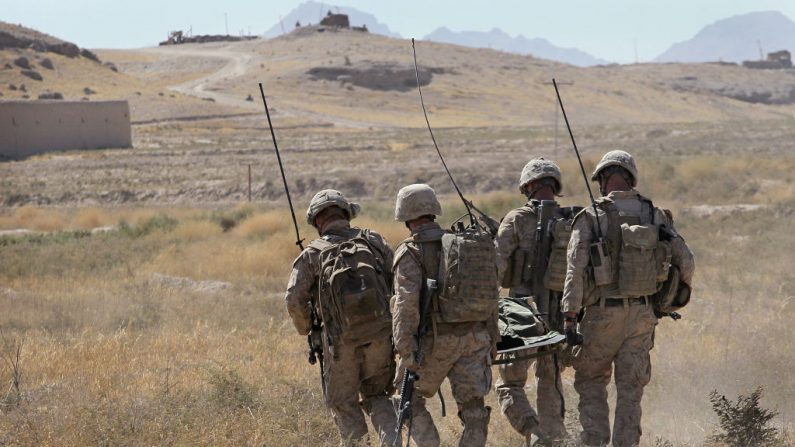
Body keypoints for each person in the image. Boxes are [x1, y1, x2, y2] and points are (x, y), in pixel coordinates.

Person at [562, 150, 695, 447]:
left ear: (602, 180)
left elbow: (574, 270)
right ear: (630, 177)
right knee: (630, 389)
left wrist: (569, 318)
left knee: (591, 382)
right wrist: (668, 303)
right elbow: (686, 261)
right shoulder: (653, 214)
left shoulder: (591, 217)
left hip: (601, 317)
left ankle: (594, 441)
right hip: (642, 316)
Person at [284, 189, 399, 446]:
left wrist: (308, 329)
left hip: (339, 343)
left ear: (317, 221)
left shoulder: (312, 254)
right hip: (380, 336)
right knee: (379, 396)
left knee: (344, 404)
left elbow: (293, 300)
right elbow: (398, 281)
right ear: (346, 214)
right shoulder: (374, 241)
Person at [391, 184, 499, 447]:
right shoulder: (463, 245)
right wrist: (493, 338)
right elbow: (491, 292)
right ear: (433, 211)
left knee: (407, 401)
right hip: (475, 336)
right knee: (474, 410)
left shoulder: (411, 251)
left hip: (435, 342)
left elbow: (406, 305)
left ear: (406, 216)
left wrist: (406, 349)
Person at [494, 157, 579, 446]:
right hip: (560, 312)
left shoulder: (516, 219)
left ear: (528, 186)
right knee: (550, 380)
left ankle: (533, 432)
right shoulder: (571, 221)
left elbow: (496, 267)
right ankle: (555, 438)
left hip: (520, 312)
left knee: (508, 383)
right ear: (554, 185)